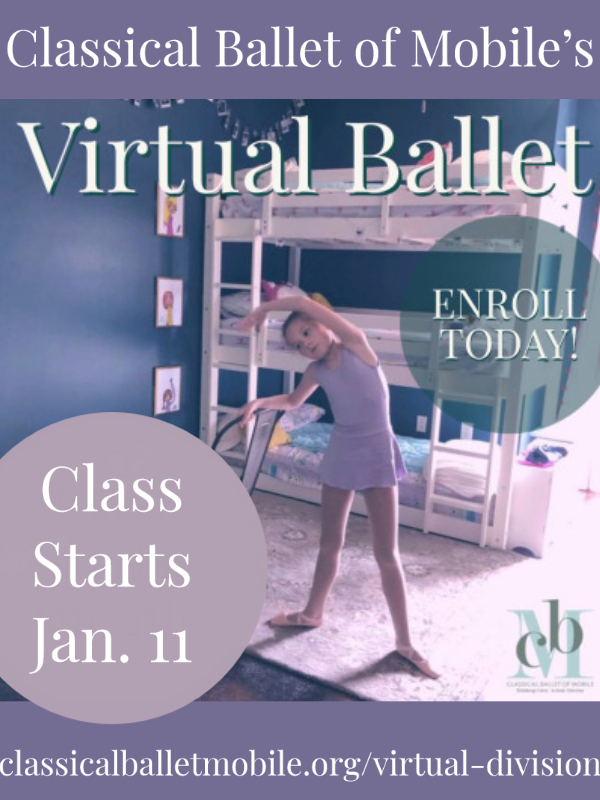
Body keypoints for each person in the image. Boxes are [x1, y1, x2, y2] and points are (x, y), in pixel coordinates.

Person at [238, 296, 439, 679]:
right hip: (343, 450)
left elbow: (302, 302)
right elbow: (293, 400)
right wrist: (259, 402)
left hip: (376, 450)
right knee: (330, 543)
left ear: (324, 322)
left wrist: (265, 310)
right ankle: (312, 613)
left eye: (306, 332)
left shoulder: (357, 345)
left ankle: (405, 642)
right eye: (297, 344)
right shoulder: (316, 371)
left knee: (386, 554)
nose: (305, 344)